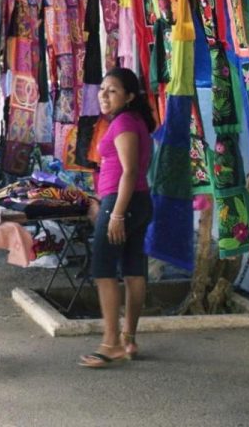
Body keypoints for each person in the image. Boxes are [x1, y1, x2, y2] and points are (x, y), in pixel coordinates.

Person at [79, 67, 154, 369]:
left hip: (122, 202)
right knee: (134, 270)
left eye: (112, 90)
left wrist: (117, 214)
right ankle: (128, 339)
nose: (104, 95)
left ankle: (111, 344)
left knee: (104, 270)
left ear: (129, 96)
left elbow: (130, 171)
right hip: (137, 201)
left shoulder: (123, 122)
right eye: (102, 90)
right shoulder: (135, 121)